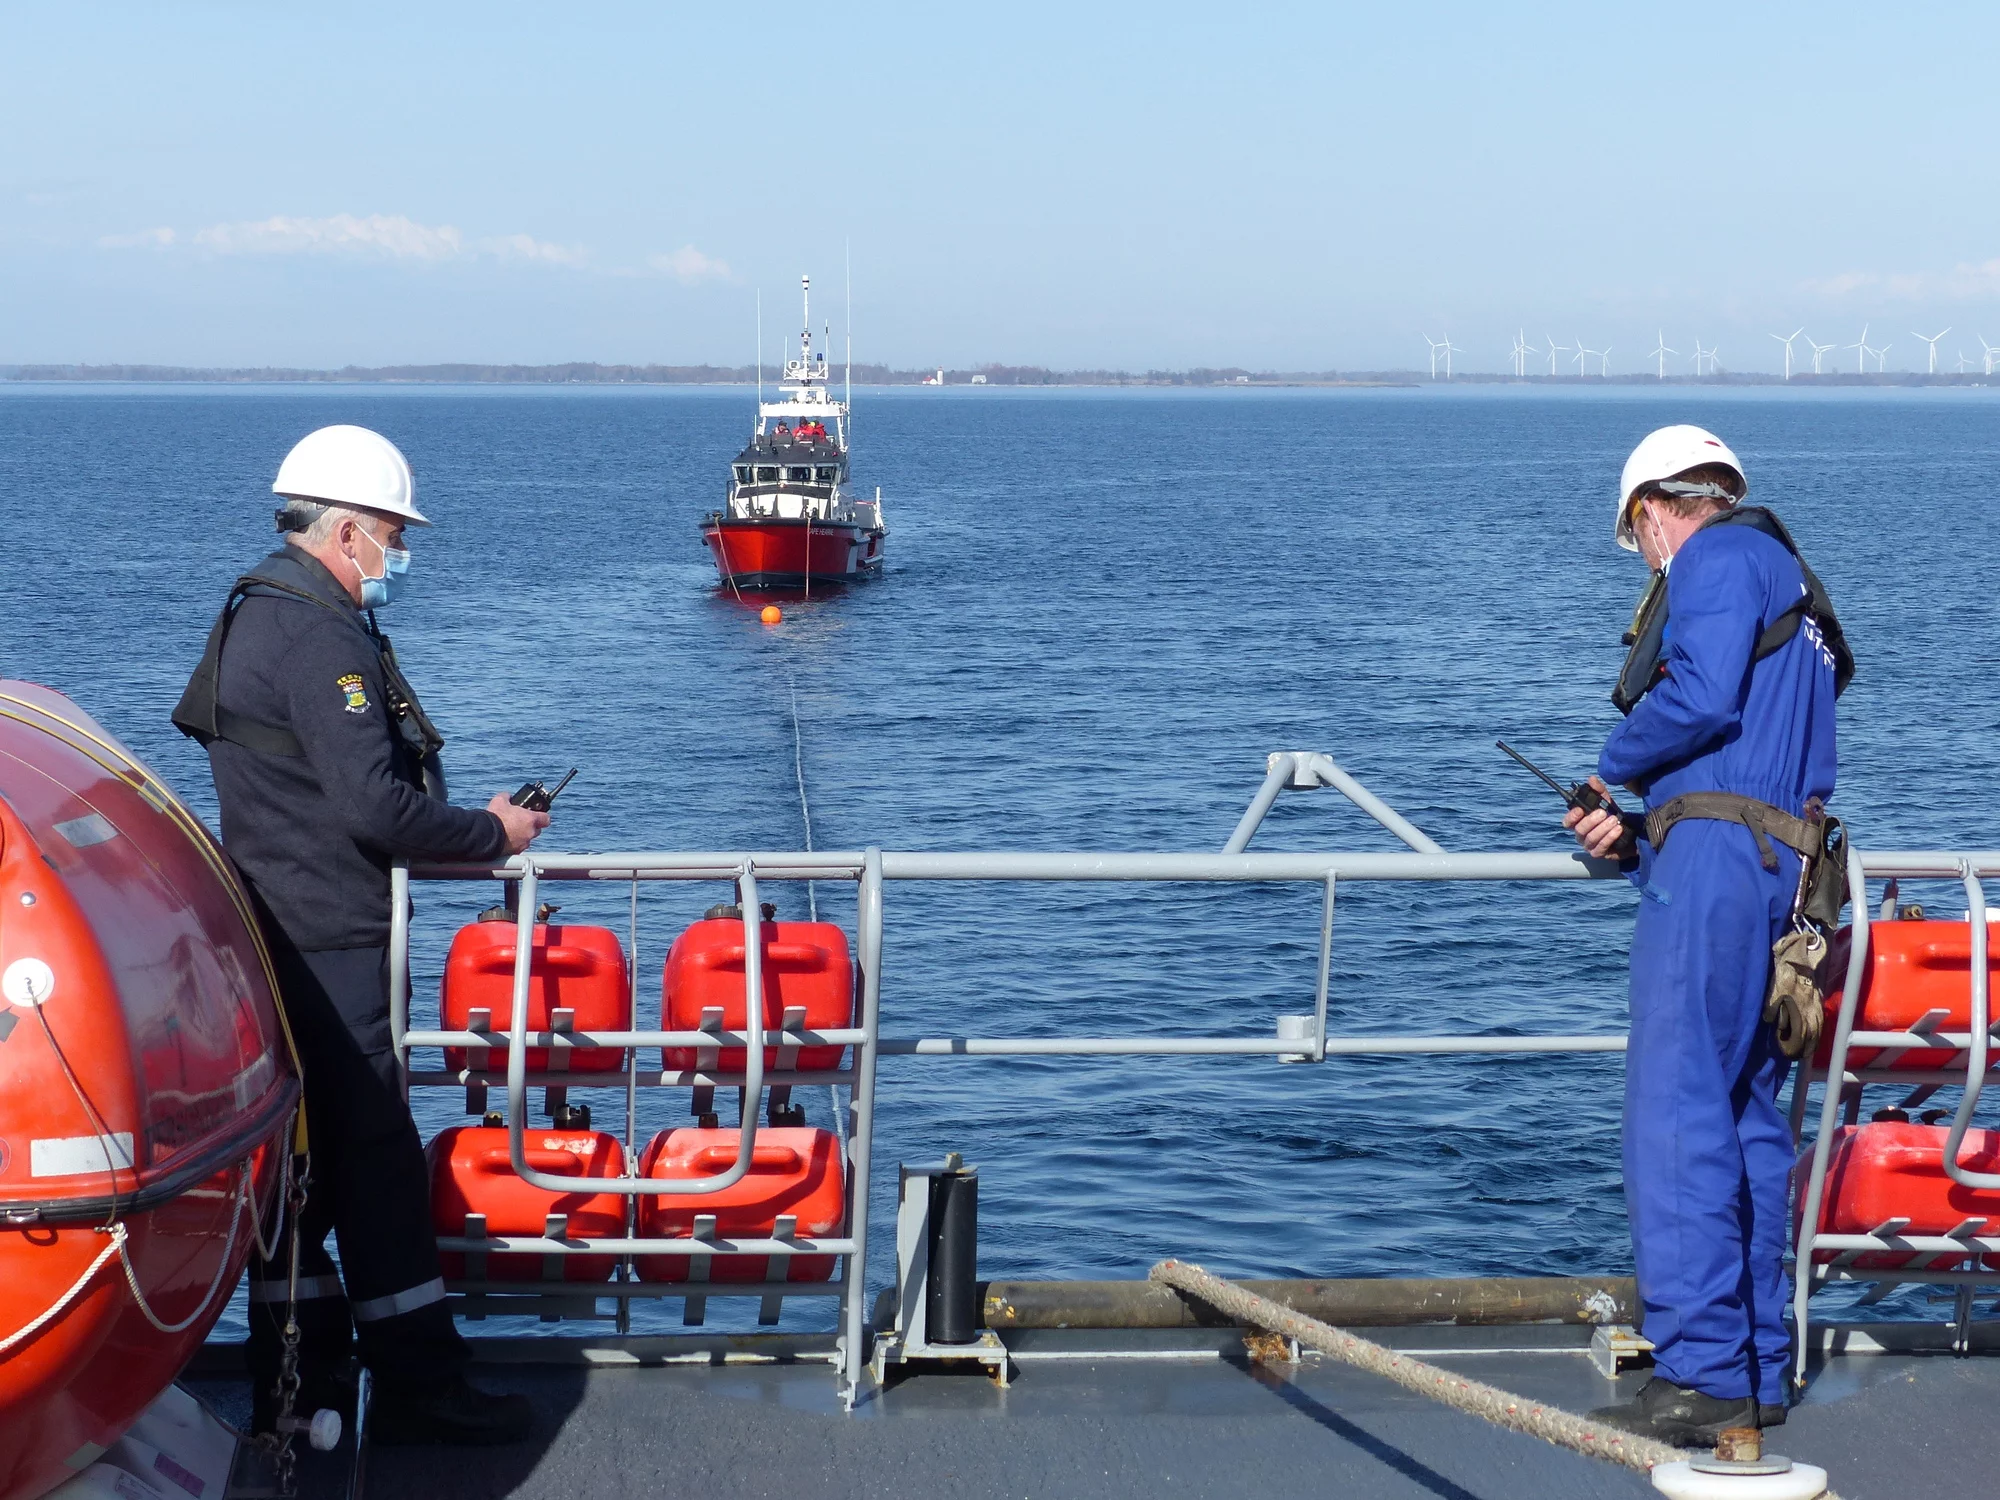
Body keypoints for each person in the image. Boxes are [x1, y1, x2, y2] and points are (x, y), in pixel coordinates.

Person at [173, 424, 550, 1446]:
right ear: (346, 531)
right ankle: (420, 1384)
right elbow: (372, 805)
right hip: (334, 940)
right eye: (392, 532)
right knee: (376, 1158)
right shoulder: (318, 635)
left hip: (280, 929)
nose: (399, 552)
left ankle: (300, 1382)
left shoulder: (257, 611)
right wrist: (491, 834)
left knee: (311, 1172)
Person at [1566, 425, 1846, 1447]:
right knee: (1743, 1119)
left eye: (1637, 537)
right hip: (1780, 872)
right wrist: (1645, 834)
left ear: (1652, 512)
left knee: (1674, 1114)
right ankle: (1757, 1369)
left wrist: (1609, 768)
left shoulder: (1716, 556)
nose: (1645, 559)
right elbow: (1749, 773)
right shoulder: (1794, 591)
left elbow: (1699, 694)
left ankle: (1700, 1372)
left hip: (1721, 872)